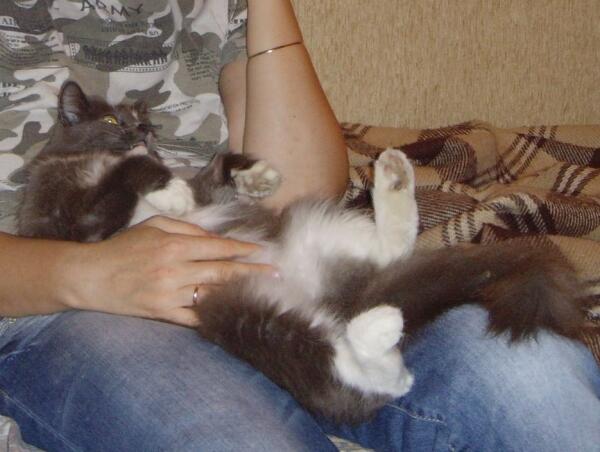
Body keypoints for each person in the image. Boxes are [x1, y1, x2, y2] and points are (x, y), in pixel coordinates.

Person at [0, 1, 598, 451]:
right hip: (55, 301)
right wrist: (86, 274)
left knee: (527, 374)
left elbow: (298, 186)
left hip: (250, 257)